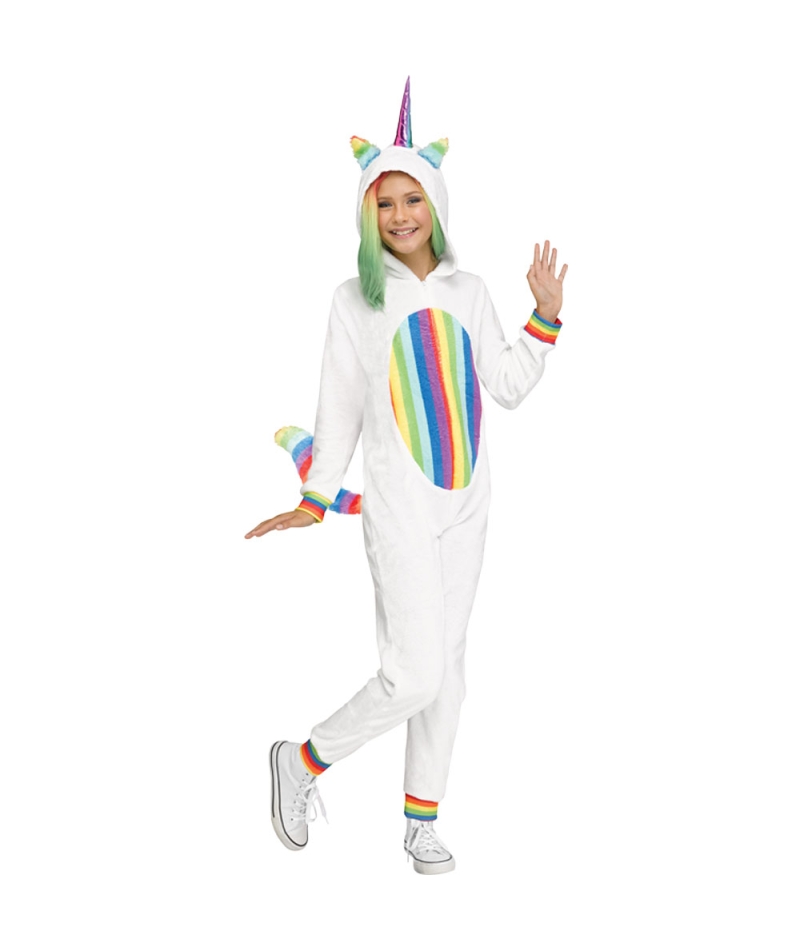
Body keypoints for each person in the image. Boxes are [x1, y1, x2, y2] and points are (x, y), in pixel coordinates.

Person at [245, 78, 567, 875]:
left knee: (447, 676)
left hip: (467, 505)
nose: (399, 216)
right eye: (383, 204)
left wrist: (546, 317)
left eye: (411, 199)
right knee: (414, 674)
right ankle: (303, 759)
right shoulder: (354, 301)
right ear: (367, 214)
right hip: (398, 509)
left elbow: (508, 386)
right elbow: (339, 405)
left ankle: (422, 820)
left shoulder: (471, 291)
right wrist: (316, 495)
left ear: (436, 203)